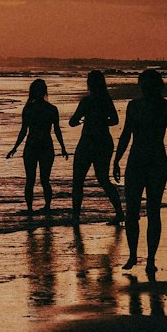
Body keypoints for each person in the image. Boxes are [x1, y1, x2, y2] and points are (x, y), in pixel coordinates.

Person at [113, 68, 167, 275]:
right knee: (131, 212)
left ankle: (150, 259)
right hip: (135, 161)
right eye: (142, 85)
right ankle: (133, 255)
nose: (143, 89)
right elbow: (125, 134)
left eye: (146, 85)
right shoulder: (133, 106)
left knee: (153, 211)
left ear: (156, 86)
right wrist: (116, 159)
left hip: (156, 162)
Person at [68, 69, 123, 224]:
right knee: (104, 179)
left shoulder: (86, 101)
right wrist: (101, 121)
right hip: (104, 142)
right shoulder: (106, 99)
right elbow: (115, 120)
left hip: (87, 142)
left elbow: (72, 122)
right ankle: (119, 213)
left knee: (78, 181)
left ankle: (75, 217)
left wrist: (85, 121)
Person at [6, 78, 68, 214]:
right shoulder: (51, 109)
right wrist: (62, 147)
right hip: (45, 145)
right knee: (44, 179)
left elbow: (24, 131)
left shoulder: (29, 108)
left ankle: (31, 208)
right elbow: (56, 130)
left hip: (32, 146)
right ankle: (46, 206)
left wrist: (15, 147)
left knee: (31, 179)